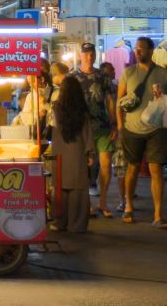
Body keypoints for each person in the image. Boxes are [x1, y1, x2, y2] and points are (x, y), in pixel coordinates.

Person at [117, 37, 167, 227]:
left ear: (151, 50)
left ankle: (157, 214)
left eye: (141, 49)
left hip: (157, 129)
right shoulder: (129, 72)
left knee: (156, 169)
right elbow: (119, 100)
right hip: (132, 128)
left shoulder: (163, 73)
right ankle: (128, 206)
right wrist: (120, 125)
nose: (137, 52)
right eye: (136, 49)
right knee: (133, 168)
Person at [71, 42, 116, 217]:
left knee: (105, 165)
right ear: (80, 55)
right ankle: (87, 204)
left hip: (103, 126)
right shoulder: (73, 77)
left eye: (92, 53)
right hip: (82, 128)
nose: (89, 57)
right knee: (85, 167)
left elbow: (111, 100)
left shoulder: (102, 76)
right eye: (86, 54)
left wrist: (114, 124)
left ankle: (103, 203)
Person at [50, 76, 95, 232]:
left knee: (60, 187)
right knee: (78, 189)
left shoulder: (56, 109)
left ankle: (60, 222)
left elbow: (51, 131)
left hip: (59, 154)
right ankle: (77, 225)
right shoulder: (83, 112)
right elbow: (87, 134)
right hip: (77, 153)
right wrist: (90, 154)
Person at [101, 62, 128, 214]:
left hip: (116, 131)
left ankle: (123, 200)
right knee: (113, 167)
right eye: (110, 71)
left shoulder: (118, 88)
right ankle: (119, 200)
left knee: (120, 167)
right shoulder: (103, 89)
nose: (113, 73)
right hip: (107, 131)